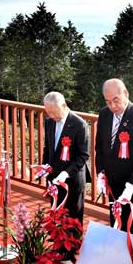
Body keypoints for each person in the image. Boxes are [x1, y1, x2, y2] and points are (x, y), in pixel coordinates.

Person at [95, 78, 133, 240]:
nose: (113, 106)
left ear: (126, 94)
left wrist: (130, 186)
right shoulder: (104, 114)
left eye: (116, 100)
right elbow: (99, 147)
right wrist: (101, 173)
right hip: (114, 183)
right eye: (108, 102)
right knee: (118, 228)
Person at [41, 91, 89, 224]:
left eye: (54, 112)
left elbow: (83, 155)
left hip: (72, 179)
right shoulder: (49, 122)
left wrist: (66, 173)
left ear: (64, 105)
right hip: (54, 178)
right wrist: (45, 165)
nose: (51, 115)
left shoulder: (80, 124)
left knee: (73, 220)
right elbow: (48, 147)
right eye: (48, 112)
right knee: (56, 216)